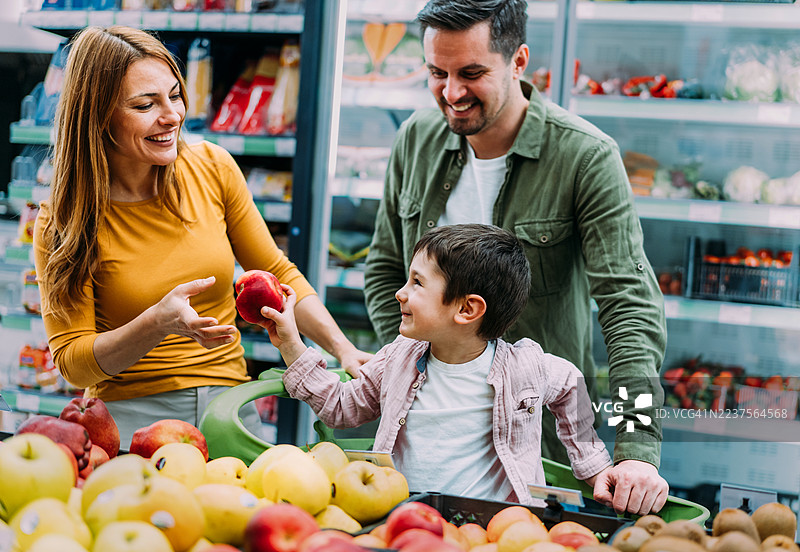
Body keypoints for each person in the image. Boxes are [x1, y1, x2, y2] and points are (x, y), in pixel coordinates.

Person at [362, 0, 669, 515]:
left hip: (538, 455)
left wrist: (637, 450)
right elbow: (383, 269)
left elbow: (630, 307)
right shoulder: (415, 139)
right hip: (423, 453)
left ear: (519, 61)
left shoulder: (584, 157)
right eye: (437, 73)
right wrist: (401, 367)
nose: (451, 93)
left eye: (472, 73)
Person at [32, 25, 371, 448]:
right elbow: (73, 363)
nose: (172, 115)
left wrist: (342, 347)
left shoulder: (212, 167)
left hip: (232, 410)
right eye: (144, 104)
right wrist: (156, 323)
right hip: (130, 424)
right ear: (98, 116)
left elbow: (277, 271)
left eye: (174, 95)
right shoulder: (64, 220)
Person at [262, 224, 618, 505]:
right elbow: (343, 408)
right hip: (404, 516)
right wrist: (292, 345)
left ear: (467, 309)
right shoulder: (399, 357)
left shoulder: (525, 366)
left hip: (493, 529)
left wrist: (592, 464)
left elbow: (570, 383)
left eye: (417, 283)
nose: (401, 293)